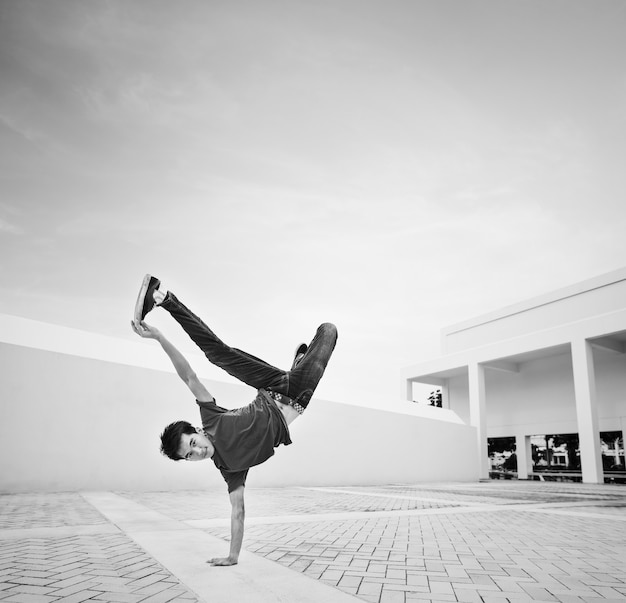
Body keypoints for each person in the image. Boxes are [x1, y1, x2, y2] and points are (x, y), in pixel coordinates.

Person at [131, 274, 338, 566]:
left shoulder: (211, 419)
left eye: (193, 443)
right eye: (190, 456)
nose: (198, 452)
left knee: (218, 353)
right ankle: (299, 365)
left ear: (198, 431)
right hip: (298, 395)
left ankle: (162, 298)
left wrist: (160, 337)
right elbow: (238, 511)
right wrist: (232, 556)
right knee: (329, 331)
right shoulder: (230, 469)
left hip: (271, 385)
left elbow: (188, 376)